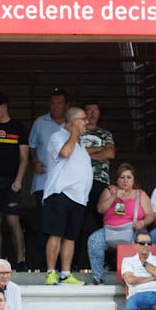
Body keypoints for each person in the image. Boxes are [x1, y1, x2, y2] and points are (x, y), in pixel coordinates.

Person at [43, 107, 92, 285]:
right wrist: (73, 134)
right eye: (83, 119)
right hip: (61, 193)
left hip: (79, 197)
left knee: (71, 236)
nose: (87, 122)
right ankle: (51, 273)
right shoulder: (57, 137)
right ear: (73, 121)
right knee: (56, 234)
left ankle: (65, 273)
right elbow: (64, 153)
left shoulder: (80, 142)